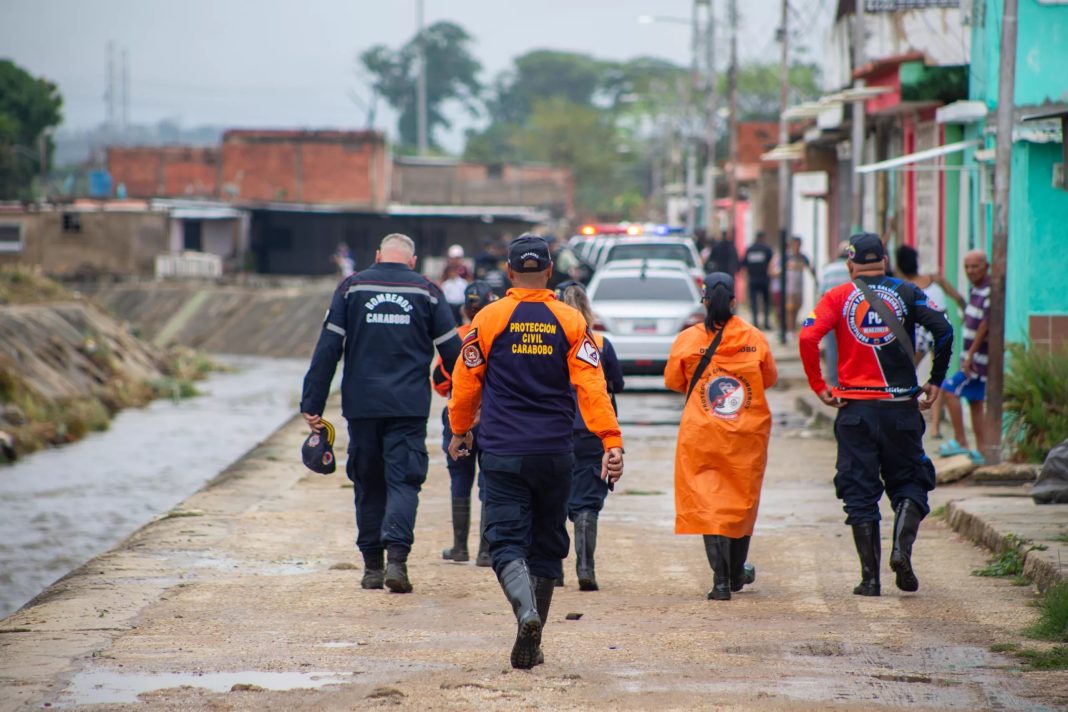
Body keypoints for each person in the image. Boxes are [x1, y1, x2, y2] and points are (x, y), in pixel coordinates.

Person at [447, 234, 624, 670]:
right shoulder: (571, 321)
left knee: (505, 542)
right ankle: (534, 636)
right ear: (549, 270)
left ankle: (525, 611)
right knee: (546, 547)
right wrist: (610, 440)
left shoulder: (488, 319)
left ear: (509, 272)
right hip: (554, 453)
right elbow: (593, 387)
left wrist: (460, 430)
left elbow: (465, 382)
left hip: (502, 451)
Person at [301, 233, 461, 594]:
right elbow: (453, 352)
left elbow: (328, 347)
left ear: (377, 256)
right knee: (404, 481)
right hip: (408, 407)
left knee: (367, 481)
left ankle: (372, 568)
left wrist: (312, 402)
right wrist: (472, 400)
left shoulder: (352, 288)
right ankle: (397, 563)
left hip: (362, 405)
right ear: (412, 261)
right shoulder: (427, 292)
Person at [799, 233, 953, 597]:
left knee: (859, 491)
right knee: (911, 481)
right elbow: (944, 329)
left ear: (850, 264)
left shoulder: (837, 296)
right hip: (901, 409)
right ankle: (901, 548)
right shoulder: (909, 292)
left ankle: (870, 580)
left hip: (856, 411)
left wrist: (819, 386)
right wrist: (935, 380)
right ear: (884, 260)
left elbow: (807, 338)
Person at [665, 273, 778, 601]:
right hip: (747, 434)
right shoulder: (754, 337)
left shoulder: (688, 339)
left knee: (708, 503)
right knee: (741, 503)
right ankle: (736, 573)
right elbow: (768, 378)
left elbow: (673, 380)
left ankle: (721, 582)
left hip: (702, 432)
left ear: (704, 301)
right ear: (734, 301)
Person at [556, 281, 625, 591]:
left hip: (557, 429)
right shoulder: (600, 343)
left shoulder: (551, 341)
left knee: (553, 499)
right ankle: (585, 567)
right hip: (592, 429)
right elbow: (617, 383)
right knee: (587, 500)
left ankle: (552, 571)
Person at [431, 281, 497, 566]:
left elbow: (439, 381)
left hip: (458, 416)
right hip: (492, 416)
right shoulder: (499, 334)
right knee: (490, 481)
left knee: (460, 478)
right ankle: (486, 550)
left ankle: (460, 547)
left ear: (465, 309)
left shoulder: (456, 337)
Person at [936, 249, 991, 464]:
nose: (970, 271)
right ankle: (982, 451)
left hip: (978, 361)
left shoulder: (989, 290)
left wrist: (970, 356)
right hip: (972, 359)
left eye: (975, 266)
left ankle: (961, 441)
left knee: (949, 389)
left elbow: (986, 325)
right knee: (975, 403)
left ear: (986, 267)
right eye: (967, 267)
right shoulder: (976, 289)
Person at [895, 245, 950, 438]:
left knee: (907, 373)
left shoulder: (903, 287)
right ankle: (935, 427)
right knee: (938, 377)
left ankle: (905, 415)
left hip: (919, 330)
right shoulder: (935, 280)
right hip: (941, 327)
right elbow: (958, 298)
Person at [819, 242, 852, 387]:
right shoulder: (852, 269)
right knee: (849, 347)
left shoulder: (828, 269)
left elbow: (822, 293)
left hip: (830, 313)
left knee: (832, 347)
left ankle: (834, 382)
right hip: (849, 313)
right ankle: (848, 379)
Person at [780, 236, 816, 336]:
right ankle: (789, 330)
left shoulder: (802, 257)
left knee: (797, 307)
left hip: (799, 287)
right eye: (795, 245)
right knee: (790, 309)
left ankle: (792, 328)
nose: (796, 247)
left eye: (798, 245)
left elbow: (811, 268)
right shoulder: (787, 257)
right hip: (789, 287)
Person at [741, 231, 774, 329]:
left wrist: (745, 278)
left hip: (753, 279)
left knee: (754, 301)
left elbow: (743, 264)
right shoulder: (767, 249)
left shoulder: (750, 250)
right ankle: (766, 323)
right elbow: (772, 263)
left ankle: (755, 321)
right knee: (766, 302)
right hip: (764, 279)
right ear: (762, 238)